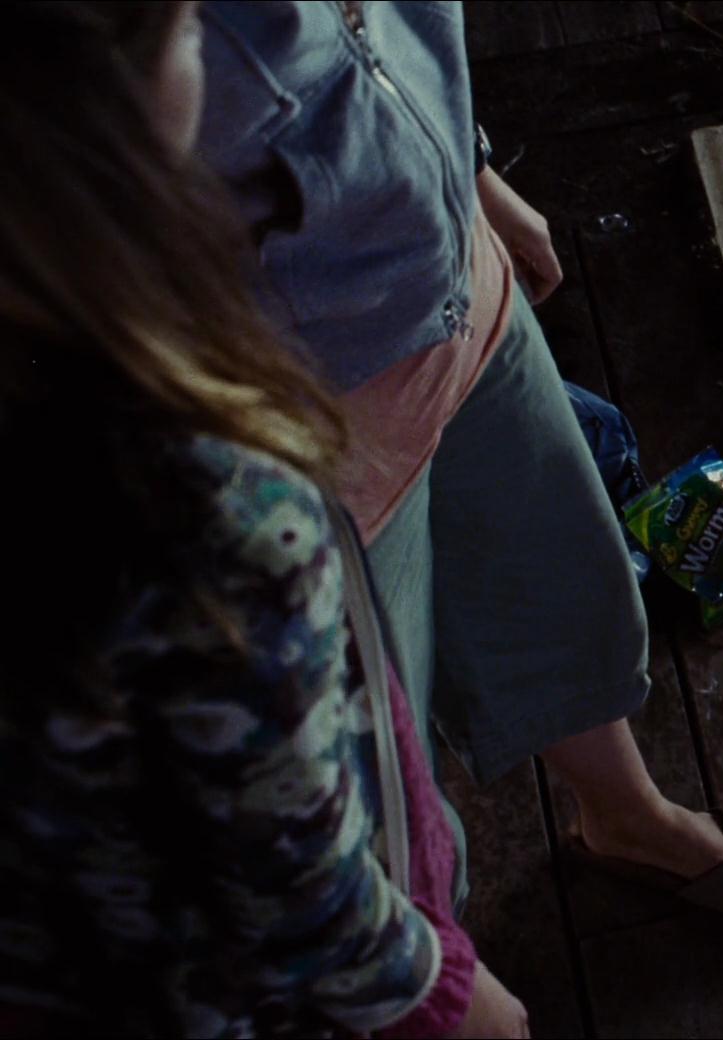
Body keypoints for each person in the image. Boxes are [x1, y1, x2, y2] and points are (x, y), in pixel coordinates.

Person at [194, 1, 723, 925]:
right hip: (317, 439)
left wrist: (469, 166)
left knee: (559, 573)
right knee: (380, 800)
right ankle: (430, 958)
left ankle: (626, 814)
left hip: (461, 292)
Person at [0, 2, 527, 1033]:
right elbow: (306, 903)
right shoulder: (211, 511)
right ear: (106, 110)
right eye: (189, 28)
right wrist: (461, 1002)